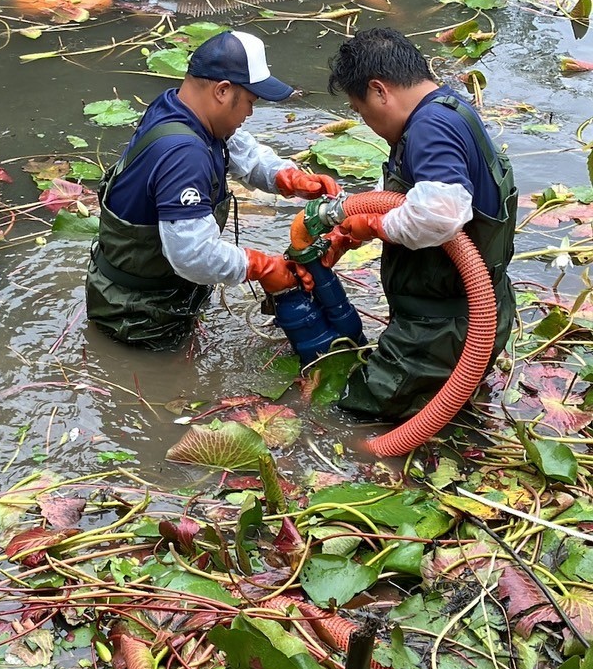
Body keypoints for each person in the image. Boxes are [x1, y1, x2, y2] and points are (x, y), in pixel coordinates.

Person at [85, 29, 339, 348]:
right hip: (140, 318)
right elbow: (193, 255)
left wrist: (291, 179)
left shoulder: (178, 108)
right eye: (249, 102)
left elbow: (243, 151)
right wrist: (263, 267)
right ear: (222, 91)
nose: (249, 114)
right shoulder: (184, 156)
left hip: (158, 292)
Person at [324, 27, 517, 419]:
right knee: (442, 413)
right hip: (474, 313)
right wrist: (357, 219)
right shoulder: (447, 106)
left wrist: (375, 228)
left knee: (352, 417)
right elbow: (412, 198)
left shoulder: (430, 128)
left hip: (445, 329)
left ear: (379, 90)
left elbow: (440, 213)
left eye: (362, 112)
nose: (366, 122)